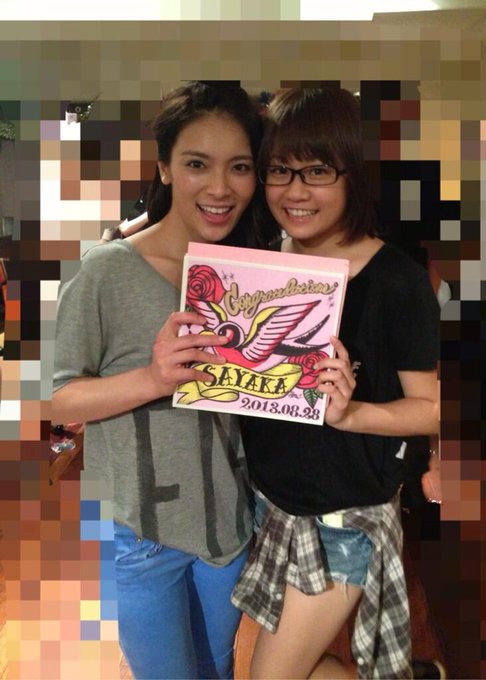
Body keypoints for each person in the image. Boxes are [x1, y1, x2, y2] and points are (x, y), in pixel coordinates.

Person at [51, 81, 263, 680]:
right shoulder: (107, 271)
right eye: (197, 164)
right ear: (165, 167)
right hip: (141, 535)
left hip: (228, 524)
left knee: (216, 668)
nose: (220, 187)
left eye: (239, 166)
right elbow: (57, 399)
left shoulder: (253, 274)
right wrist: (151, 377)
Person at [231, 87, 440, 679]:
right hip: (269, 507)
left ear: (353, 174)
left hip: (340, 523)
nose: (295, 192)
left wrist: (352, 414)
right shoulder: (261, 267)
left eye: (317, 171)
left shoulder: (396, 283)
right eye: (280, 170)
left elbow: (431, 408)